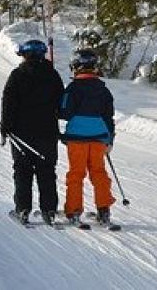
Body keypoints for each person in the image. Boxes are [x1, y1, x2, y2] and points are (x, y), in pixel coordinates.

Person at [0, 39, 64, 226]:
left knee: (22, 171)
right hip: (47, 132)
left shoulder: (18, 75)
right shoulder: (53, 75)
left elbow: (8, 103)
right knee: (47, 171)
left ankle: (23, 209)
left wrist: (6, 128)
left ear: (24, 55)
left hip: (21, 133)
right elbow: (61, 103)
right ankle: (49, 210)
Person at [60, 49, 117, 227]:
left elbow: (64, 111)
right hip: (99, 137)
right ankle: (104, 210)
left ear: (76, 66)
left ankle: (74, 210)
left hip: (77, 137)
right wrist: (110, 139)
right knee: (98, 173)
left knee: (76, 173)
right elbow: (109, 116)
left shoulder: (72, 88)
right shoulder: (103, 89)